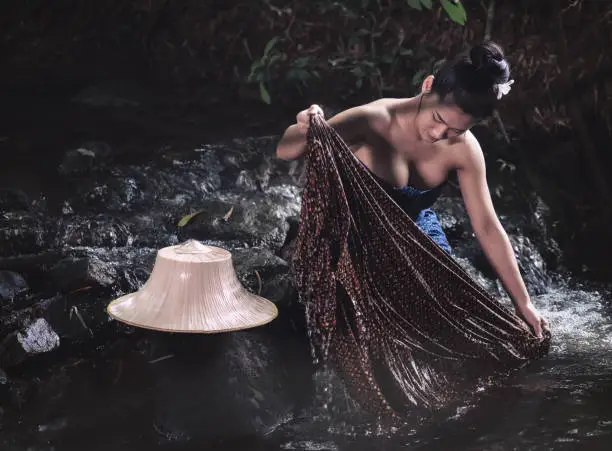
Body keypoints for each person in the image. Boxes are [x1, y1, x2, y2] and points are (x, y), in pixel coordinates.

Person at [276, 41, 548, 339]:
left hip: (418, 237)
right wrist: (306, 126)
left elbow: (486, 225)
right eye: (438, 119)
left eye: (456, 131)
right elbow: (286, 151)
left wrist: (523, 303)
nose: (438, 135)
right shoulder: (373, 120)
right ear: (427, 86)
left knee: (454, 322)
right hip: (354, 237)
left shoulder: (465, 149)